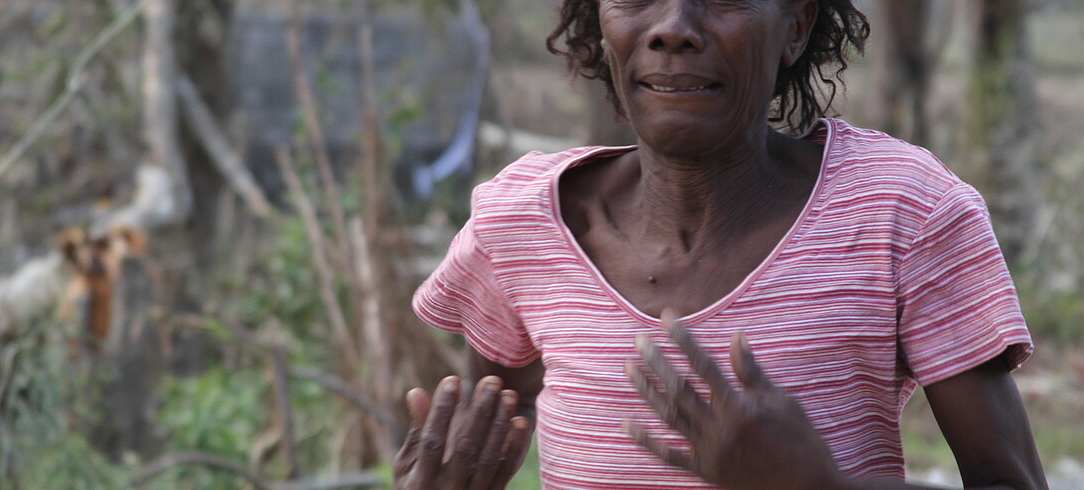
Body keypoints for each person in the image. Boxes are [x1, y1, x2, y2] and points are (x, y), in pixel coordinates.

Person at [393, 0, 1049, 488]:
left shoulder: (903, 212)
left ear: (795, 25)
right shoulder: (522, 225)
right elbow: (474, 441)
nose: (673, 27)